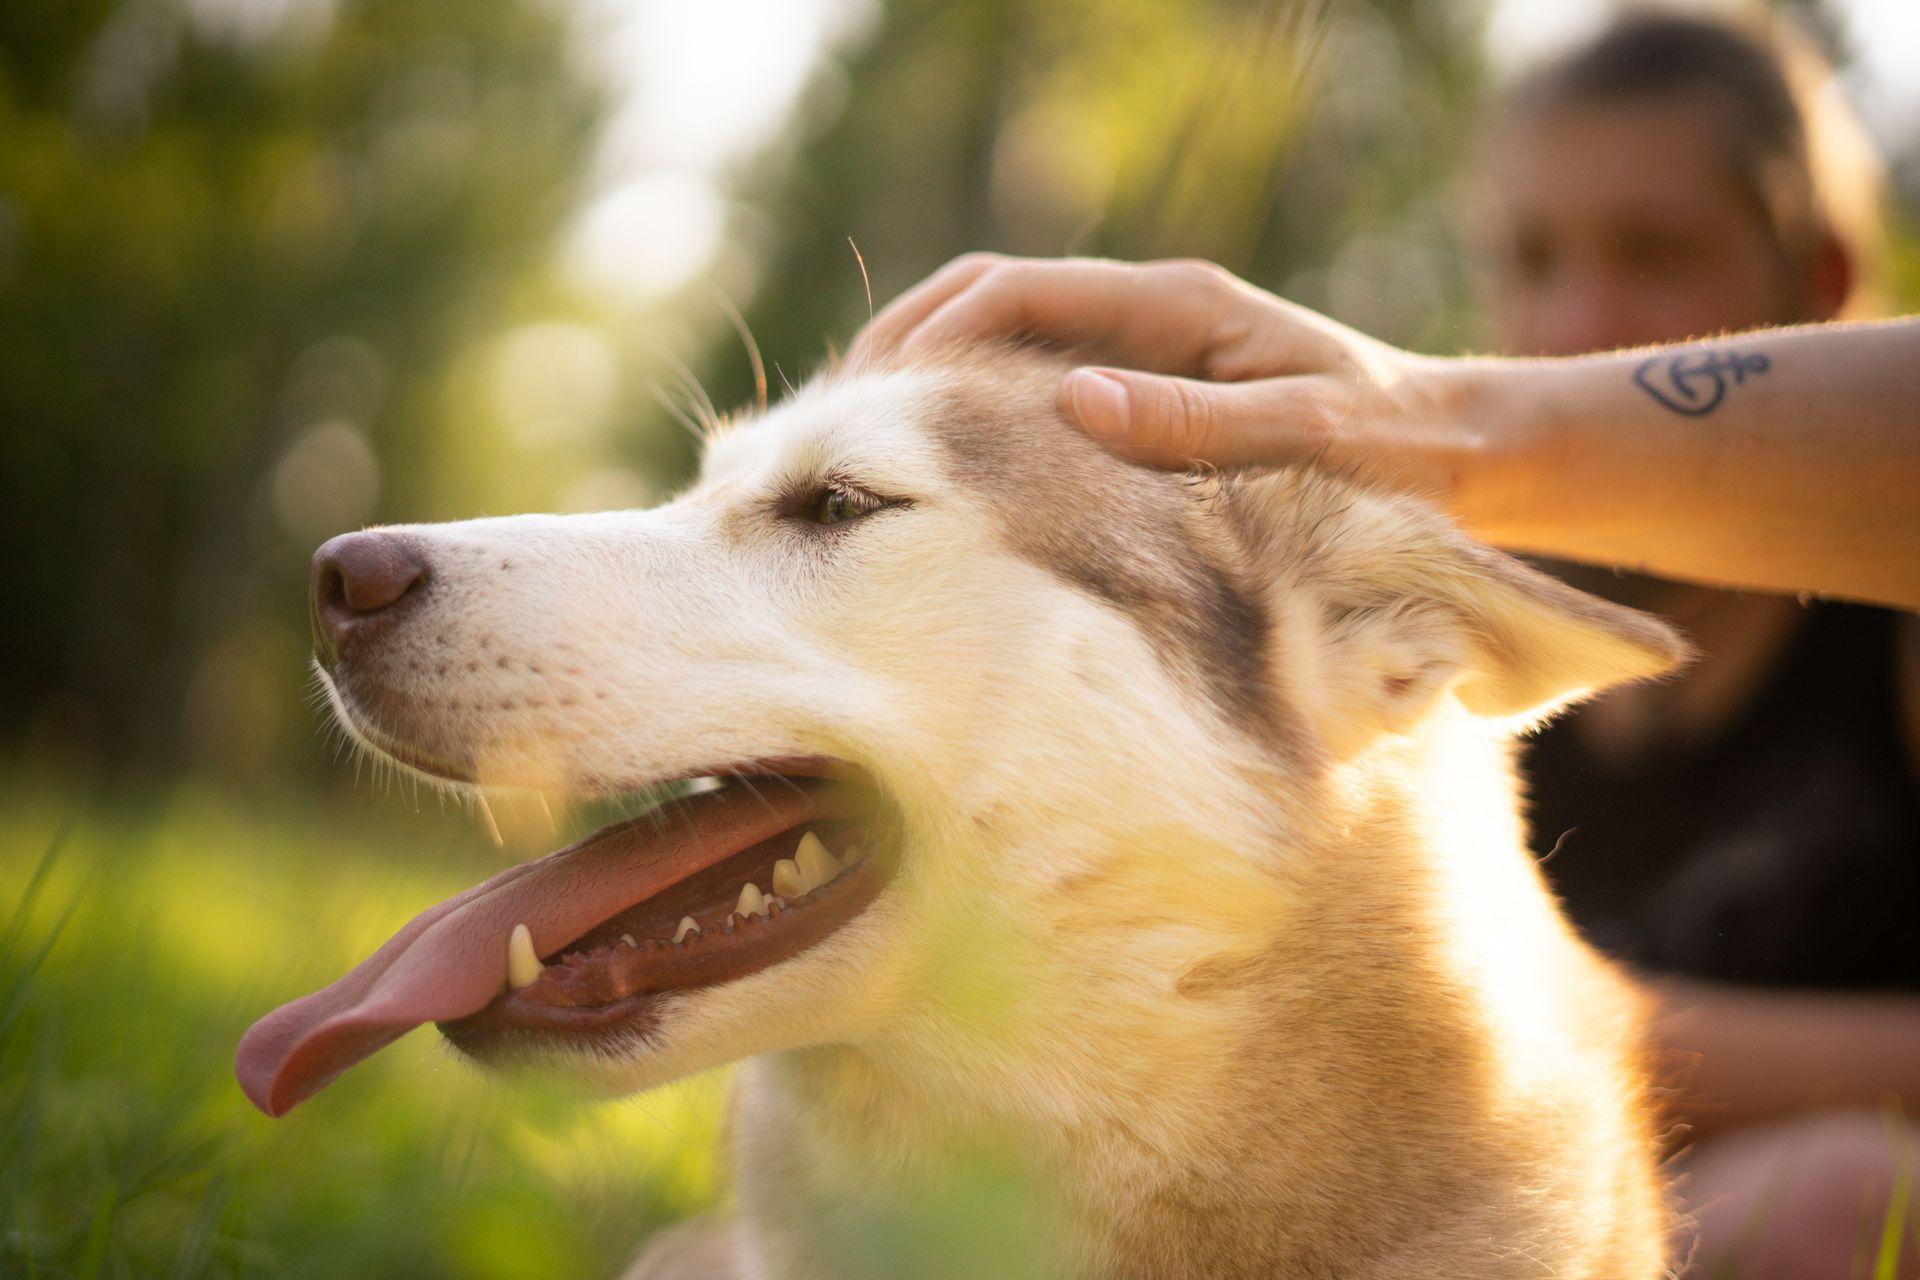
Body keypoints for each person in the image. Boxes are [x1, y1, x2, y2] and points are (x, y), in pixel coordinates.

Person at [852, 16, 1920, 1277]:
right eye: (1531, 257)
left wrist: (1577, 1011)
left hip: (1688, 1202)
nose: (1580, 316)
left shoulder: (1883, 648)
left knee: (1839, 1195)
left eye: (1655, 250)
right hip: (1447, 1190)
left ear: (1822, 281)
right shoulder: (1425, 647)